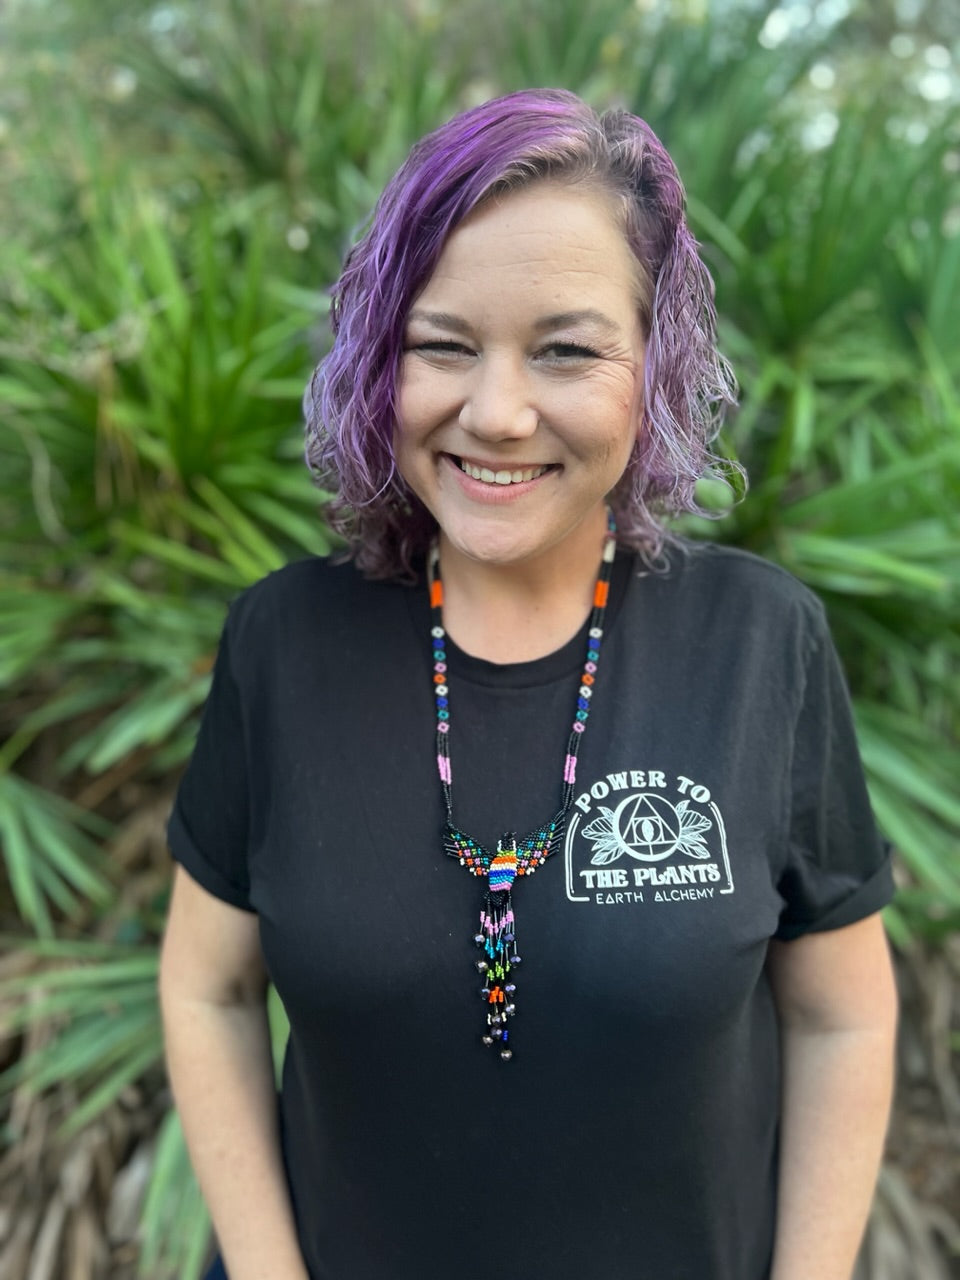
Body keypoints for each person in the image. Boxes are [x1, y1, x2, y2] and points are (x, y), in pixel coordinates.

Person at [159, 88, 898, 1280]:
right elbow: (205, 985)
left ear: (656, 364)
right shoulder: (284, 641)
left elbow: (842, 1013)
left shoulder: (761, 640)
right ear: (378, 358)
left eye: (565, 348)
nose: (497, 413)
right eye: (444, 343)